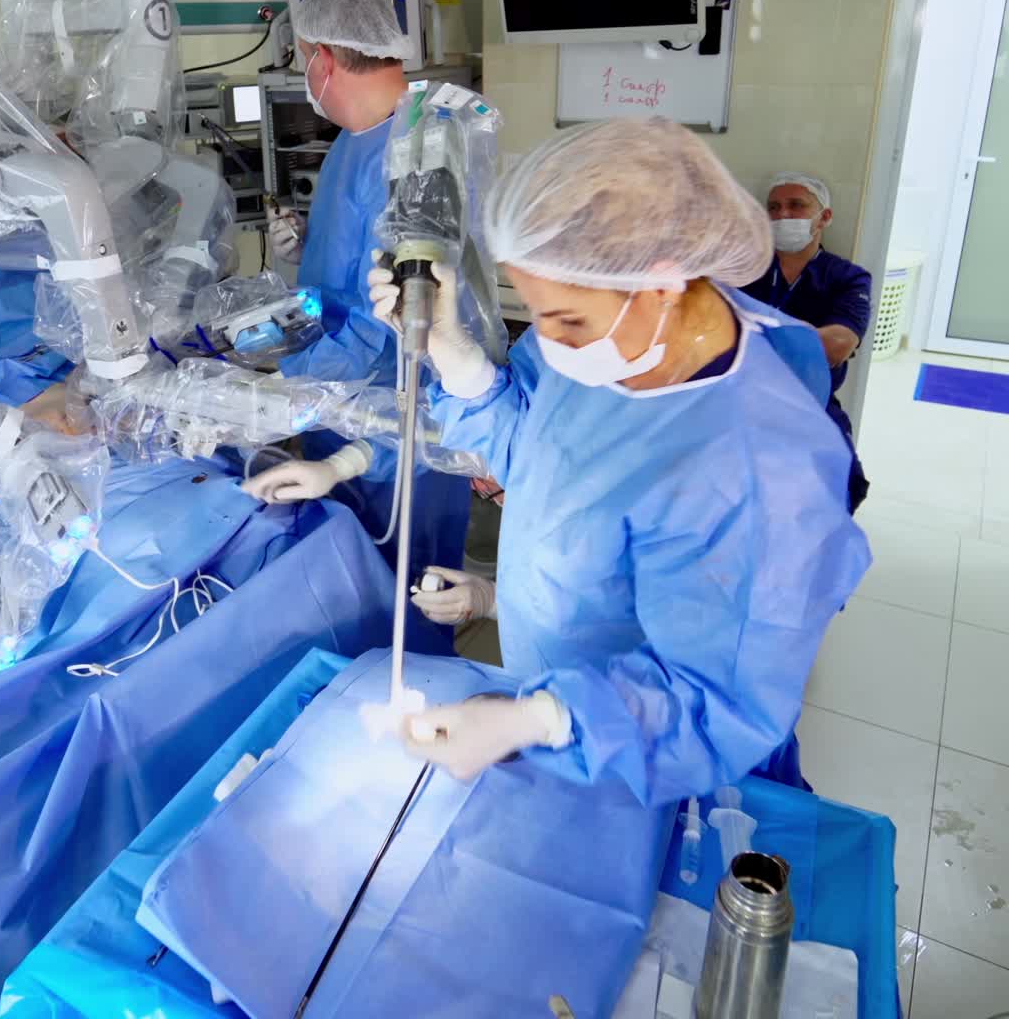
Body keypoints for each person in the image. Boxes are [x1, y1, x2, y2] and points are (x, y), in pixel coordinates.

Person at [367, 119, 871, 803]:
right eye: (536, 315)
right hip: (557, 692)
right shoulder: (608, 342)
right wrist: (452, 352)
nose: (548, 341)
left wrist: (545, 718)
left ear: (661, 285)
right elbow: (538, 458)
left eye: (567, 319)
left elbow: (713, 703)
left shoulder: (758, 472)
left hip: (667, 767)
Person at [248, 0, 471, 571]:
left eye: (300, 59)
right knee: (347, 581)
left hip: (392, 423)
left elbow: (397, 321)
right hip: (339, 405)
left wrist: (285, 377)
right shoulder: (357, 138)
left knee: (404, 590)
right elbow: (356, 261)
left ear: (321, 58)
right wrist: (304, 251)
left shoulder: (418, 149)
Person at [739, 173, 873, 512]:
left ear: (824, 217)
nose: (782, 215)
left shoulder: (847, 277)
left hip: (810, 403)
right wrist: (800, 342)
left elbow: (836, 346)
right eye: (774, 207)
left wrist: (747, 336)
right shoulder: (743, 269)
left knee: (837, 485)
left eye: (796, 206)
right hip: (741, 398)